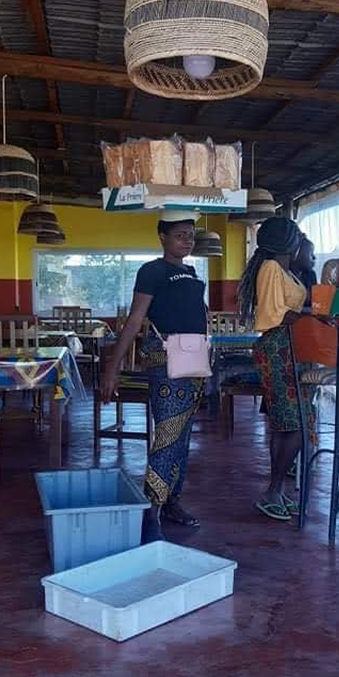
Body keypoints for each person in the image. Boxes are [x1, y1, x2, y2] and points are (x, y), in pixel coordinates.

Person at [101, 212, 207, 543]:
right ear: (162, 237)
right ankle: (151, 514)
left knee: (183, 436)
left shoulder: (190, 272)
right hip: (165, 356)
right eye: (180, 235)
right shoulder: (152, 271)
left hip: (195, 355)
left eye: (190, 235)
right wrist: (112, 367)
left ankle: (171, 500)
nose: (187, 240)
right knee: (166, 436)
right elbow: (134, 320)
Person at [239, 216, 312, 521]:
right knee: (296, 425)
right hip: (278, 347)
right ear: (289, 241)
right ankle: (273, 489)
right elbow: (272, 315)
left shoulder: (284, 270)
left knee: (285, 423)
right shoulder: (271, 269)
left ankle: (277, 491)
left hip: (290, 347)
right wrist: (312, 314)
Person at [291, 233, 317, 308]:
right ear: (296, 254)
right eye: (311, 253)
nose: (314, 257)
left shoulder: (311, 275)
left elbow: (316, 304)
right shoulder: (285, 276)